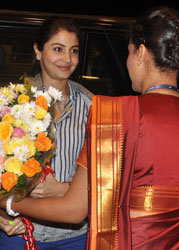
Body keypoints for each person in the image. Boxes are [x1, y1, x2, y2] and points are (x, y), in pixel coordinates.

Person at [1, 6, 179, 249]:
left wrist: (9, 202)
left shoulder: (113, 115)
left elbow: (76, 209)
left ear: (141, 53)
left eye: (128, 52)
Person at [0, 16, 92, 250]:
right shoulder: (13, 103)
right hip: (20, 232)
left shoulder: (93, 106)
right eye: (58, 49)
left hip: (75, 236)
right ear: (38, 51)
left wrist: (65, 190)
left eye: (74, 50)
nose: (67, 59)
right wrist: (2, 216)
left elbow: (106, 178)